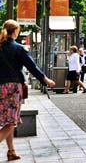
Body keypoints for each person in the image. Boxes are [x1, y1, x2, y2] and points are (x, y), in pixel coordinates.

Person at [0, 20, 56, 161]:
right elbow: (32, 67)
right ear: (16, 31)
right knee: (11, 122)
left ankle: (11, 151)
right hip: (13, 88)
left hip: (1, 87)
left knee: (8, 121)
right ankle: (11, 151)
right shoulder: (18, 48)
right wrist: (45, 80)